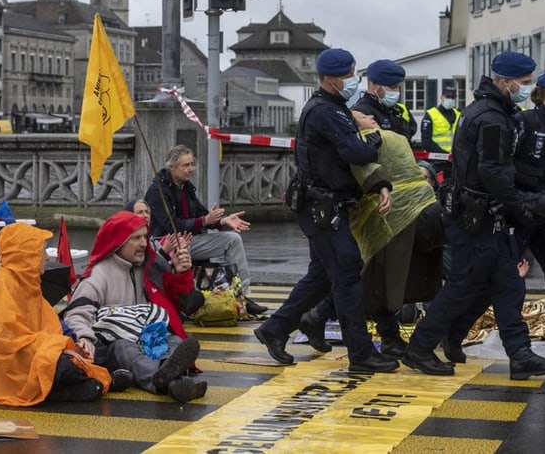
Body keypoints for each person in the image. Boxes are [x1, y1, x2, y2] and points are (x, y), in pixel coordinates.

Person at [403, 51, 545, 380]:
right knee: (463, 284)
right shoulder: (492, 118)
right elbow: (493, 171)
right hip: (475, 215)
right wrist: (519, 205)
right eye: (523, 83)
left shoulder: (487, 110)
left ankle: (519, 355)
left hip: (479, 213)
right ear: (506, 82)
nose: (527, 89)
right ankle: (421, 347)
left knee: (507, 284)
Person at [439, 70, 545, 367]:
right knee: (499, 284)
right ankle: (455, 334)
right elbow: (504, 167)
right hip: (518, 210)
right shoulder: (522, 123)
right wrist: (517, 204)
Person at [254, 47, 398, 372]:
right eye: (348, 75)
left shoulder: (334, 107)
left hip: (324, 205)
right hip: (323, 207)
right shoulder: (325, 111)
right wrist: (372, 138)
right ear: (331, 79)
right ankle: (360, 355)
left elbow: (345, 161)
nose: (353, 80)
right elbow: (357, 154)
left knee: (321, 277)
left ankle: (274, 329)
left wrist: (376, 184)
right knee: (347, 277)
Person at [297, 109, 444, 358]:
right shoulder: (365, 140)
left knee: (373, 278)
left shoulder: (373, 136)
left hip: (379, 218)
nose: (371, 117)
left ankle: (320, 318)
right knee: (369, 279)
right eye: (364, 117)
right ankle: (310, 321)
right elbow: (367, 169)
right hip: (384, 218)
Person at [0, 223, 121, 406]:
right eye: (40, 251)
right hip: (12, 365)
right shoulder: (3, 285)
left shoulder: (28, 282)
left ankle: (87, 383)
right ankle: (82, 386)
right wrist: (57, 347)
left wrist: (72, 342)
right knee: (61, 366)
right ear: (26, 255)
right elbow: (10, 342)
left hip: (35, 351)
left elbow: (50, 325)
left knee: (96, 348)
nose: (45, 256)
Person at [63, 211, 208, 403]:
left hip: (150, 339)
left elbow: (179, 303)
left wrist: (180, 273)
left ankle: (171, 379)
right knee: (124, 348)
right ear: (119, 241)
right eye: (136, 238)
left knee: (175, 340)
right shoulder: (97, 276)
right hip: (114, 346)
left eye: (145, 237)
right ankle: (165, 376)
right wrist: (84, 336)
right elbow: (76, 315)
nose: (143, 243)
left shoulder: (150, 268)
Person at [144, 146, 265, 315]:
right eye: (185, 165)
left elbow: (203, 216)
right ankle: (185, 301)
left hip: (190, 240)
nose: (190, 169)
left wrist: (222, 220)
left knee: (233, 239)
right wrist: (204, 220)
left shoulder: (186, 187)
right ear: (172, 167)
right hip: (167, 243)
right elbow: (172, 225)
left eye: (191, 164)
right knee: (183, 246)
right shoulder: (157, 190)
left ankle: (241, 296)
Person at [351, 59, 417, 141]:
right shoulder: (362, 114)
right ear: (373, 84)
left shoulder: (398, 110)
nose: (397, 92)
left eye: (398, 87)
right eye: (392, 87)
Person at [420, 88, 461, 180]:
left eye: (453, 97)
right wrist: (445, 154)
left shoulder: (459, 114)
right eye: (448, 96)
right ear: (441, 97)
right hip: (437, 161)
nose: (450, 99)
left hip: (455, 161)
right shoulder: (431, 115)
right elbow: (426, 141)